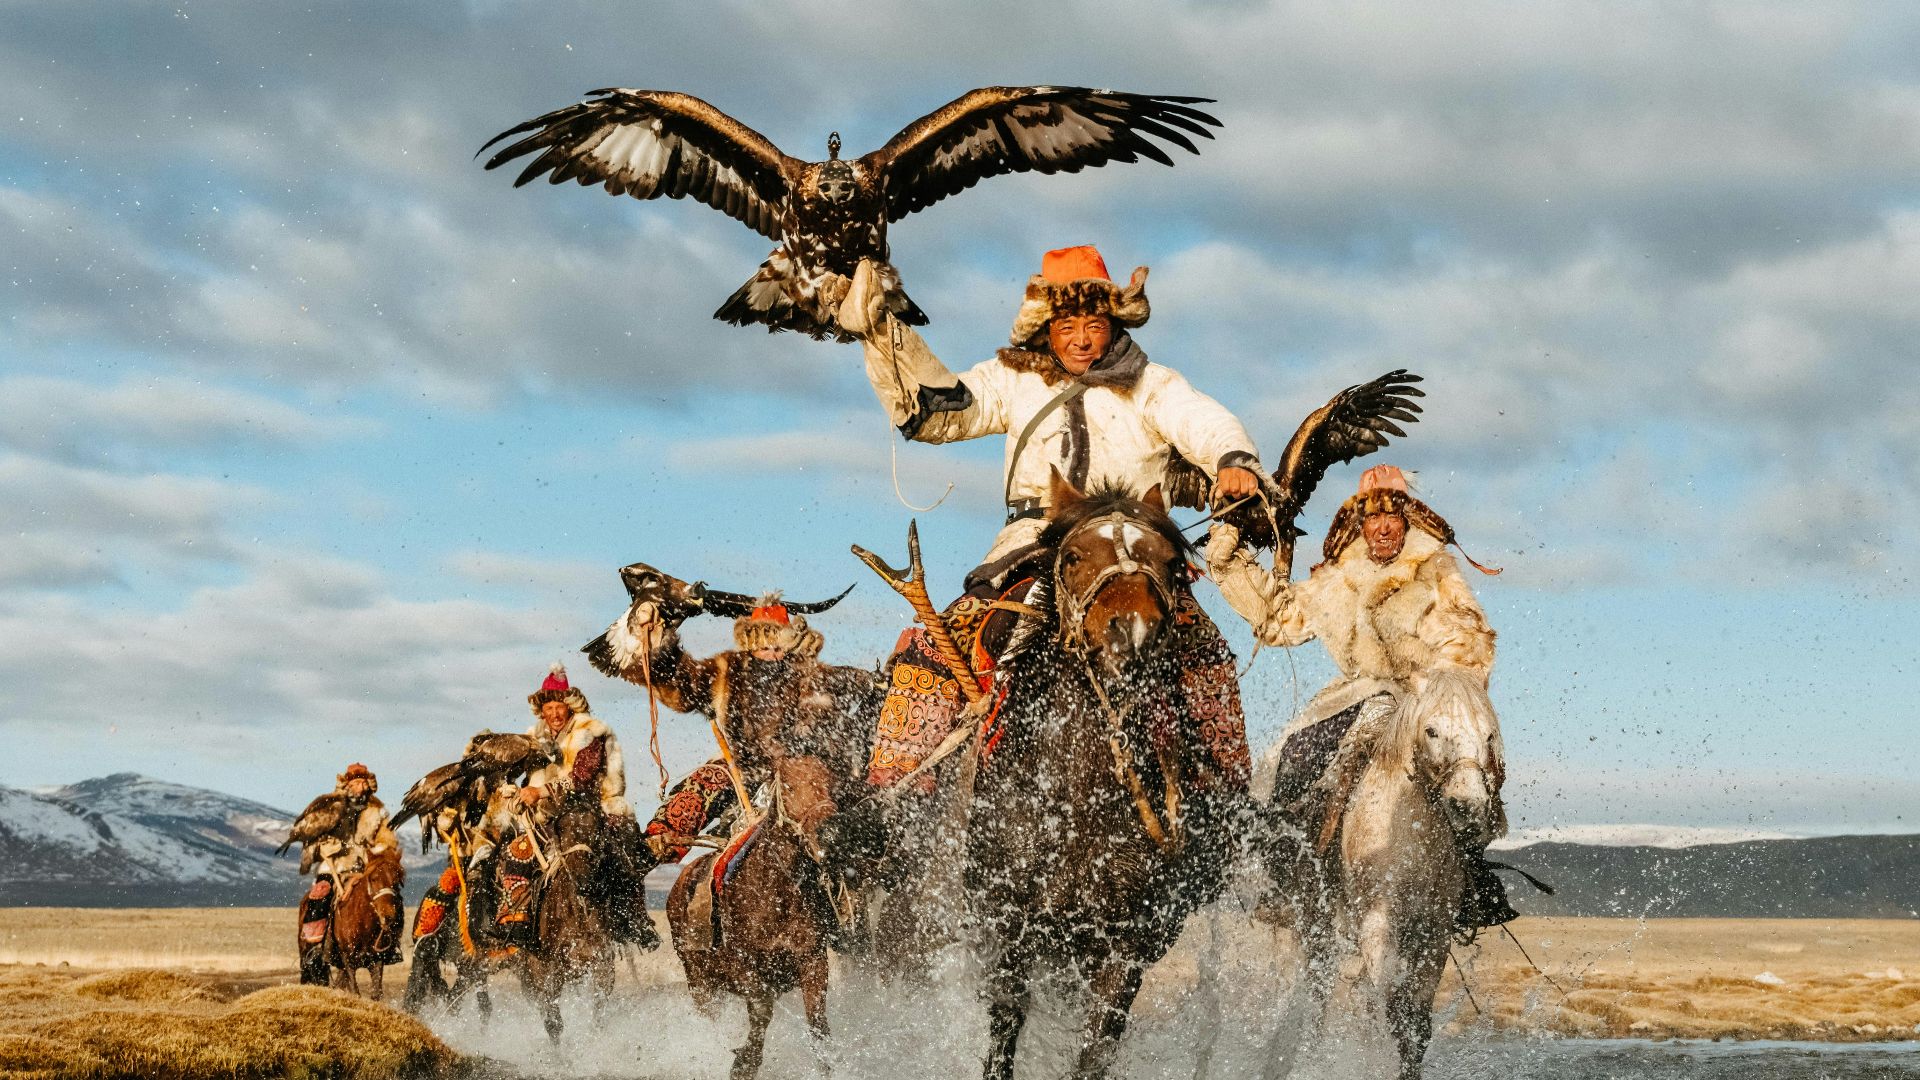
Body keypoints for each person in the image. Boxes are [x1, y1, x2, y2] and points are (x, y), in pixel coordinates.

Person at [836, 245, 1260, 790]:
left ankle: (1227, 801)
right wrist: (880, 330)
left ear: (1113, 324)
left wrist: (1232, 459)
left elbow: (1202, 420)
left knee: (1204, 651)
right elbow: (936, 412)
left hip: (1131, 546)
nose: (1082, 338)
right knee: (935, 646)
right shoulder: (1011, 379)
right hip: (1034, 542)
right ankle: (897, 794)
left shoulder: (1153, 385)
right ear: (1047, 326)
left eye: (1094, 323)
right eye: (1067, 324)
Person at [1207, 464, 1513, 927]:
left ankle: (1470, 876)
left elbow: (1468, 643)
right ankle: (1284, 871)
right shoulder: (1338, 578)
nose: (1384, 526)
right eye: (1373, 517)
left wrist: (1433, 692)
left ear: (1407, 520)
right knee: (1294, 754)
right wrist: (1231, 561)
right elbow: (1280, 620)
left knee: (1470, 770)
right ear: (1360, 523)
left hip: (1424, 697)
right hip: (1355, 694)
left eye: (1393, 516)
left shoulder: (1436, 574)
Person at [498, 663, 658, 948]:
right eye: (548, 709)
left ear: (570, 707)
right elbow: (527, 783)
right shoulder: (534, 740)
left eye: (559, 707)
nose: (554, 714)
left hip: (592, 810)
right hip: (551, 816)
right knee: (515, 852)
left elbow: (581, 778)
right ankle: (517, 920)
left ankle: (634, 919)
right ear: (542, 712)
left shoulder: (589, 733)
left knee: (625, 849)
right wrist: (516, 794)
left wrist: (541, 791)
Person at [297, 763, 403, 966]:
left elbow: (388, 840)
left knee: (390, 894)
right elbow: (312, 838)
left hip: (365, 867)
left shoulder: (377, 812)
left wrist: (376, 850)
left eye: (363, 783)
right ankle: (315, 946)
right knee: (320, 895)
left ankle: (391, 944)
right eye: (355, 783)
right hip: (334, 866)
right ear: (347, 785)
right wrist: (321, 847)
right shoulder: (330, 808)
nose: (359, 788)